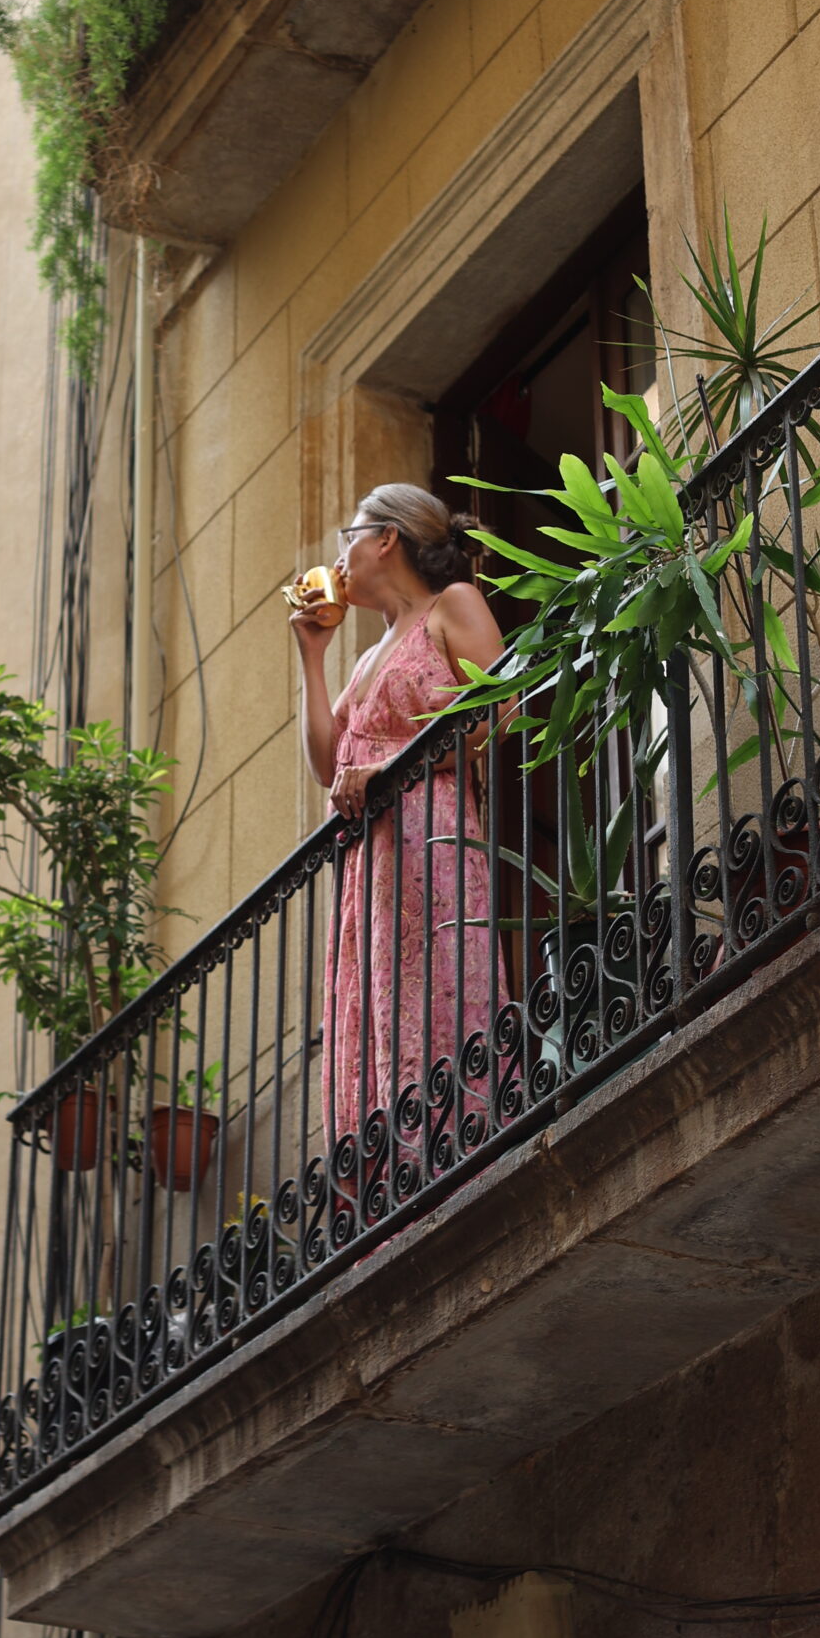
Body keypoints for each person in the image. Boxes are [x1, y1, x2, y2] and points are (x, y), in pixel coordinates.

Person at [291, 486, 507, 1209]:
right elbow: (328, 764)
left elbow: (497, 713)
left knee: (438, 989)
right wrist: (312, 656)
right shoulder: (366, 659)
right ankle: (397, 1179)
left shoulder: (454, 606)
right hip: (373, 869)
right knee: (379, 1010)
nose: (338, 558)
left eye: (347, 538)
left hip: (433, 841)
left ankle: (460, 1150)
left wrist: (390, 768)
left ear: (386, 538)